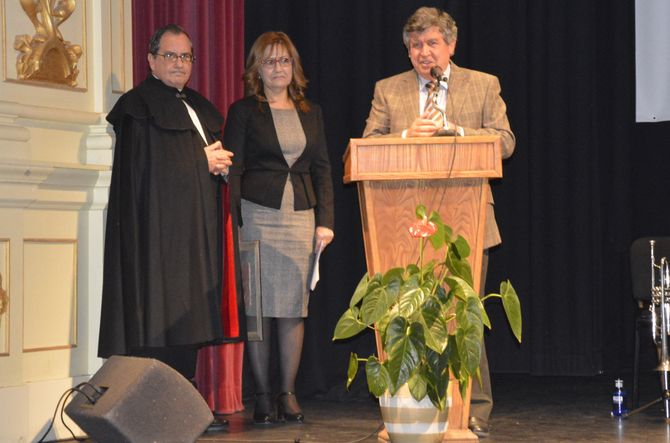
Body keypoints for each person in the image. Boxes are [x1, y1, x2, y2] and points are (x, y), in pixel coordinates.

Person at [363, 6, 515, 438]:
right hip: (401, 224)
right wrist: (406, 136)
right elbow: (367, 144)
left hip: (466, 220)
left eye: (432, 43)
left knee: (464, 316)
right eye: (415, 45)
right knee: (405, 315)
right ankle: (406, 407)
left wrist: (456, 130)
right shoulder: (388, 90)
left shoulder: (483, 84)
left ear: (451, 44)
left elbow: (505, 142)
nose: (423, 52)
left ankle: (472, 410)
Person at [98, 24, 237, 430]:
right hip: (154, 238)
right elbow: (144, 171)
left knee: (191, 314)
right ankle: (157, 411)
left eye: (186, 56)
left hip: (195, 234)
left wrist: (221, 166)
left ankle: (187, 407)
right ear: (151, 60)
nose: (179, 63)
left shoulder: (198, 106)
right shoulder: (137, 107)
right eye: (171, 55)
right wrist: (201, 163)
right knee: (157, 314)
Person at [224, 31, 335, 426]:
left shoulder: (311, 111)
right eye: (269, 61)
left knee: (292, 308)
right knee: (257, 310)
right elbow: (234, 169)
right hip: (256, 215)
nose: (278, 68)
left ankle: (287, 393)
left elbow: (322, 168)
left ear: (294, 67)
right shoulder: (244, 111)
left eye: (284, 61)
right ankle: (262, 396)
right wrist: (233, 221)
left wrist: (326, 222)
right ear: (257, 69)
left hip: (300, 218)